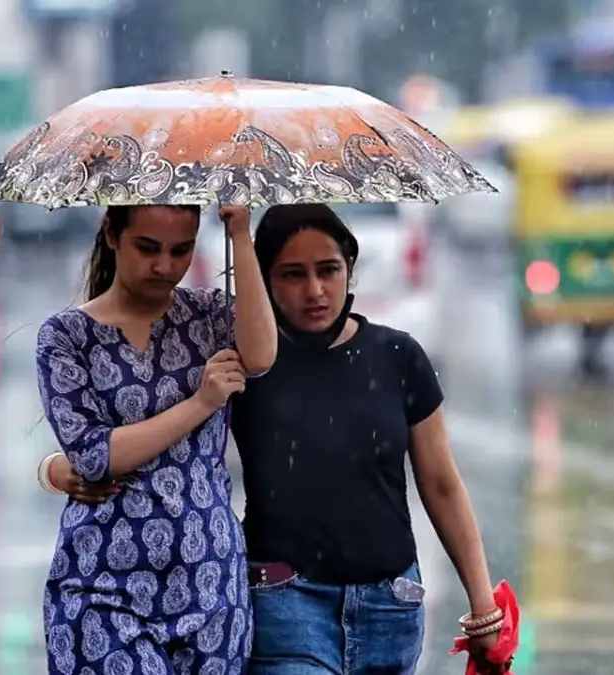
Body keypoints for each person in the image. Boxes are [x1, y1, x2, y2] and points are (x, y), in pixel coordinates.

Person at [44, 204, 505, 675]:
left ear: (350, 268)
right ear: (263, 280)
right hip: (284, 603)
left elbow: (442, 483)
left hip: (388, 606)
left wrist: (483, 605)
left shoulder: (396, 355)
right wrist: (61, 468)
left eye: (328, 270)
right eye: (291, 275)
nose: (315, 290)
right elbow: (144, 427)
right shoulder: (238, 359)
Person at [34, 204, 277, 675]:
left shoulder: (208, 315)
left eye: (180, 250)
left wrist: (241, 236)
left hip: (211, 581)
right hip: (103, 587)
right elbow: (94, 455)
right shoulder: (65, 336)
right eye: (147, 248)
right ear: (111, 234)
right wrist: (201, 403)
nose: (165, 266)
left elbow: (263, 354)